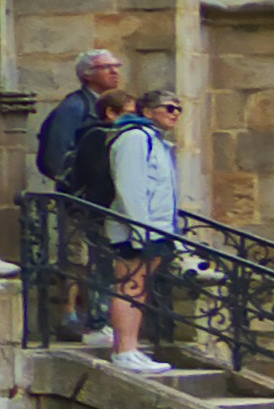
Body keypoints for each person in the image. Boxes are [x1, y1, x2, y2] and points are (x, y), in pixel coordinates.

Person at [31, 50, 128, 342]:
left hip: (100, 201)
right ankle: (70, 317)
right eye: (106, 67)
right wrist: (77, 188)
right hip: (80, 201)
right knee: (76, 259)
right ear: (87, 73)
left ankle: (95, 318)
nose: (114, 71)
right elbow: (55, 156)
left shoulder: (99, 106)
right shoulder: (73, 107)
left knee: (97, 258)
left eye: (116, 66)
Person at [103, 89, 186, 373]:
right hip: (136, 229)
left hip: (158, 227)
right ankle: (124, 350)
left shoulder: (157, 142)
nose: (174, 113)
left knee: (140, 288)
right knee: (130, 285)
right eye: (168, 107)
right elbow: (131, 188)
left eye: (178, 108)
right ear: (147, 111)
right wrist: (141, 230)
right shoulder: (135, 138)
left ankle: (131, 346)